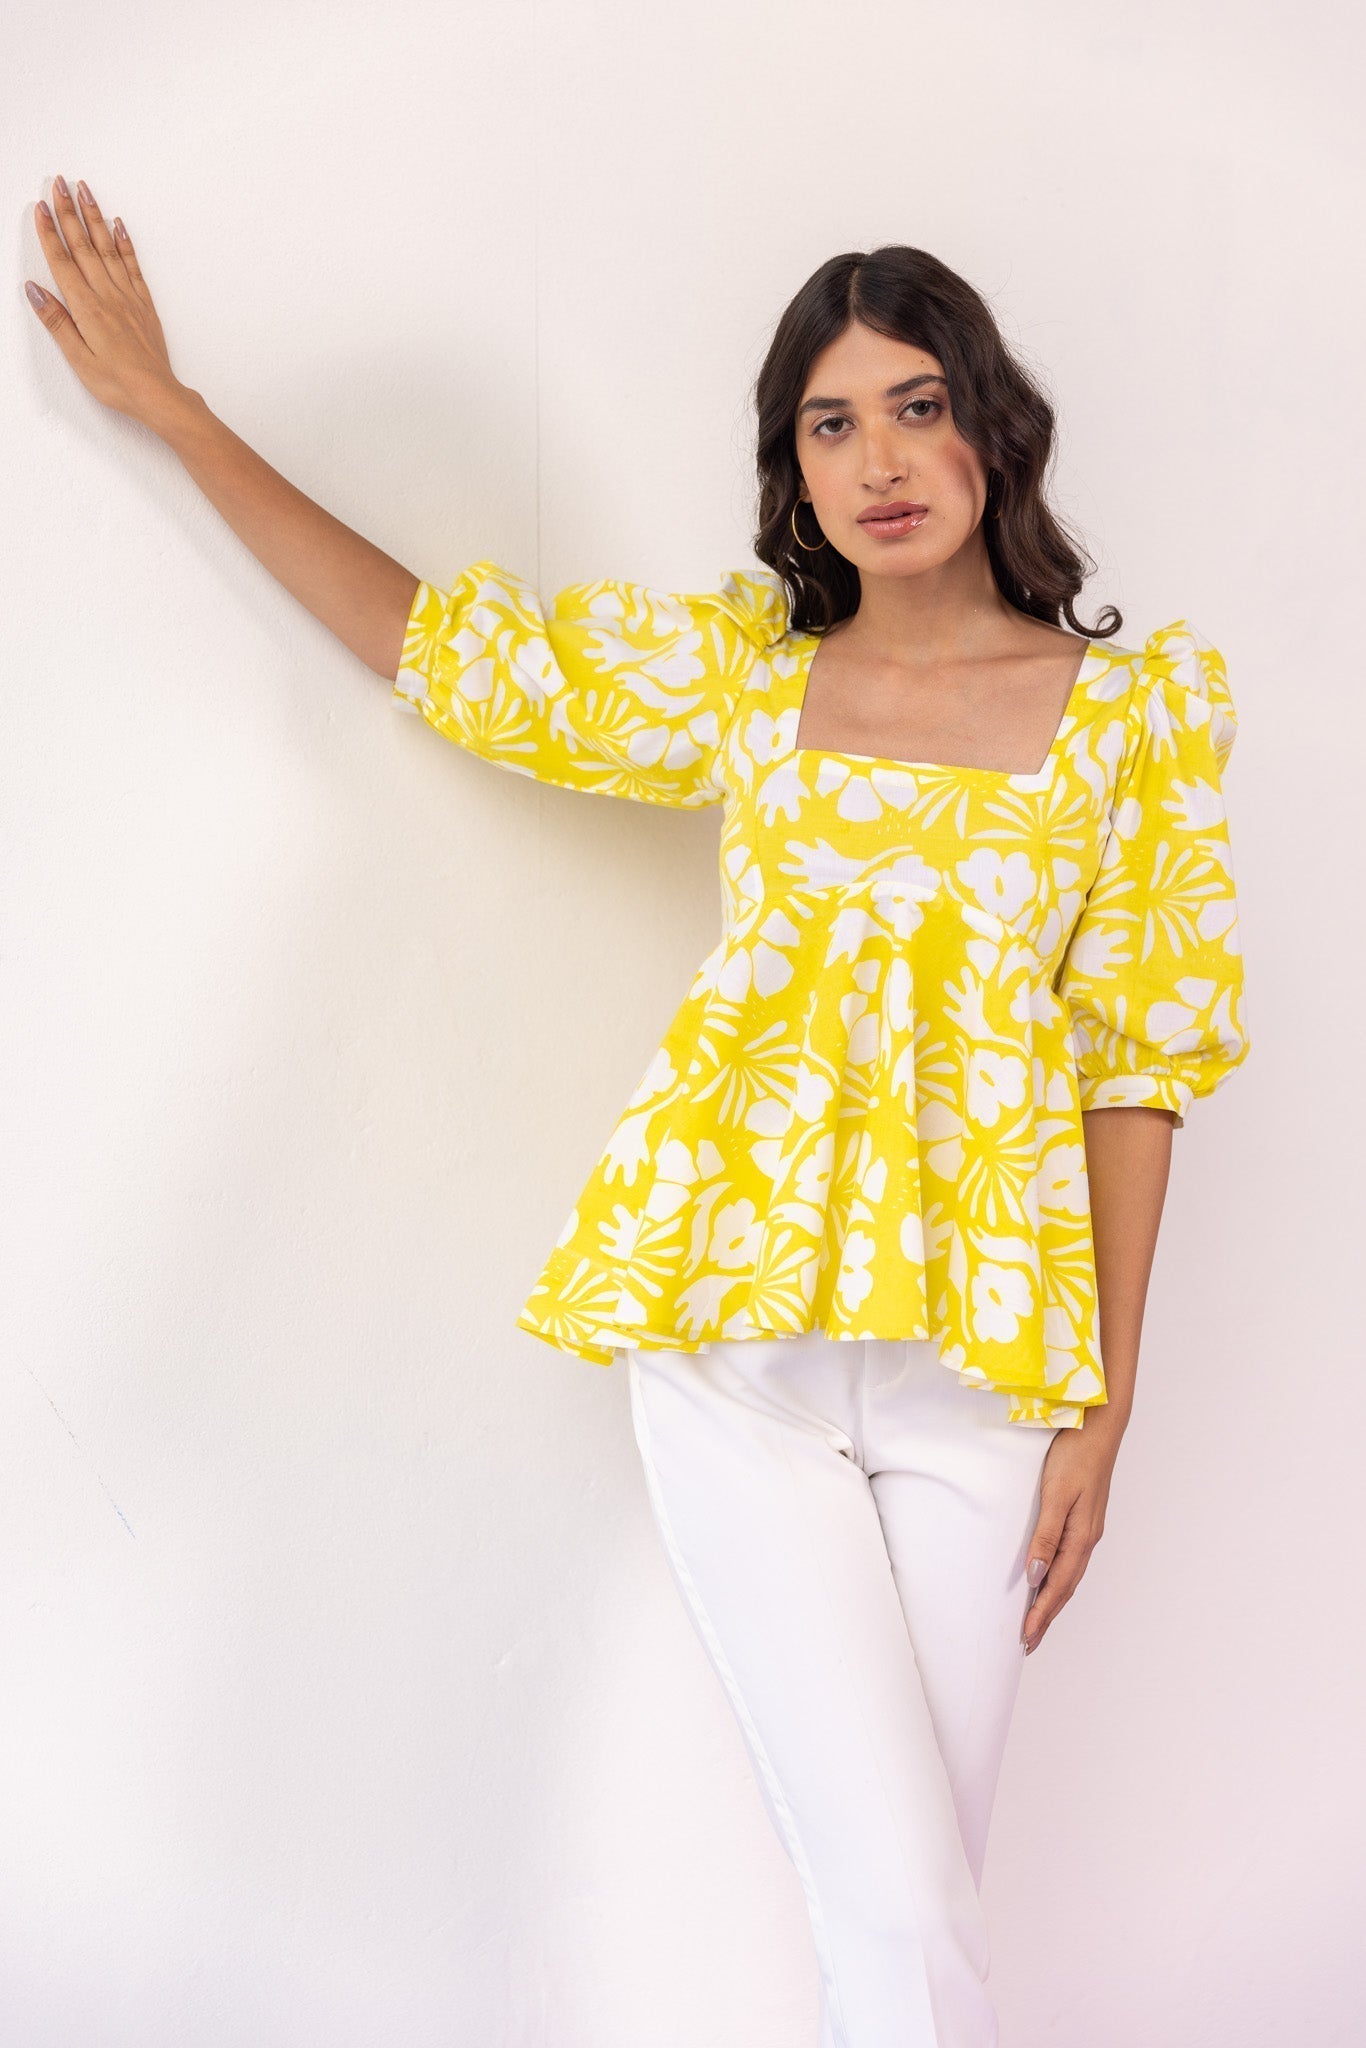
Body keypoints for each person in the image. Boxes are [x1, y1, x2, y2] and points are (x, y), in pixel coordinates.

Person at [27, 186, 1250, 2047]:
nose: (877, 460)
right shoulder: (752, 681)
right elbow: (448, 657)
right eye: (828, 425)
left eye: (915, 405)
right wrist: (180, 414)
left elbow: (1135, 1064)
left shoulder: (1132, 720)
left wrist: (1109, 1398)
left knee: (912, 1907)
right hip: (734, 1348)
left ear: (990, 424)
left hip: (989, 1367)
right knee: (900, 1905)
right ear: (794, 471)